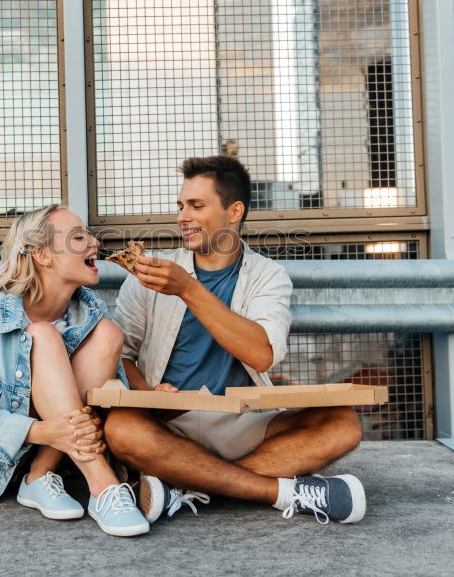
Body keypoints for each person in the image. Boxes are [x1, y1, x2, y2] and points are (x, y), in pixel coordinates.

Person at [106, 155, 366, 525]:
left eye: (197, 205)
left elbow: (261, 355)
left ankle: (186, 488)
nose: (183, 216)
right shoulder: (149, 274)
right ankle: (280, 492)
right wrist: (147, 396)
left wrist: (188, 289)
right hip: (166, 421)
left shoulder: (268, 276)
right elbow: (122, 356)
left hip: (242, 422)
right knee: (120, 428)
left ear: (235, 211)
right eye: (181, 206)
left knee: (344, 424)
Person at [0, 204, 150, 537]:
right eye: (78, 237)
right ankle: (103, 485)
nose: (95, 243)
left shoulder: (89, 311)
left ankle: (40, 476)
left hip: (53, 457)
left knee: (108, 334)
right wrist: (45, 433)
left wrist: (149, 396)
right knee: (42, 334)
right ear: (43, 255)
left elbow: (104, 394)